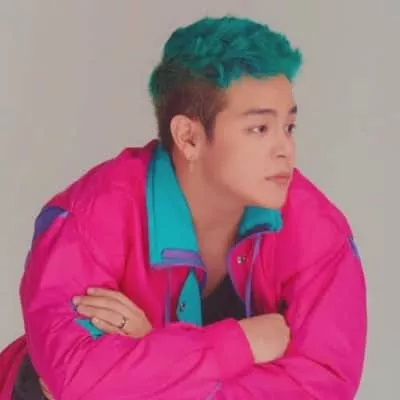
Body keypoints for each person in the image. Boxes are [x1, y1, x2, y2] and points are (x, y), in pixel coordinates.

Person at [0, 15, 367, 399]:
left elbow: (324, 384)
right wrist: (241, 343)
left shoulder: (319, 230)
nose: (285, 149)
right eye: (259, 129)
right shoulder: (89, 216)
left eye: (288, 127)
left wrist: (151, 355)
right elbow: (76, 379)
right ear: (189, 138)